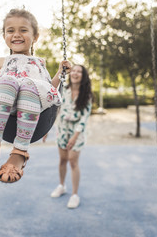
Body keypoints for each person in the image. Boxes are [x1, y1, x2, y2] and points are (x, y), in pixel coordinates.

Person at [0, 9, 71, 184]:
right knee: (7, 81)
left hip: (33, 106)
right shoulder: (1, 61)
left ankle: (19, 153)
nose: (16, 35)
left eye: (23, 30)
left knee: (30, 86)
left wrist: (60, 73)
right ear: (4, 36)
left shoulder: (40, 62)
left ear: (35, 36)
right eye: (10, 30)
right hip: (7, 105)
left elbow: (48, 91)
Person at [50, 65, 92, 209]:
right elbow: (56, 109)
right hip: (62, 130)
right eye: (73, 70)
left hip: (77, 133)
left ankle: (75, 194)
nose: (75, 73)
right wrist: (47, 128)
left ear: (83, 75)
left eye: (79, 71)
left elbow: (84, 118)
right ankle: (62, 185)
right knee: (62, 160)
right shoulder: (64, 90)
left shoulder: (86, 94)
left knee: (73, 161)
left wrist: (74, 137)